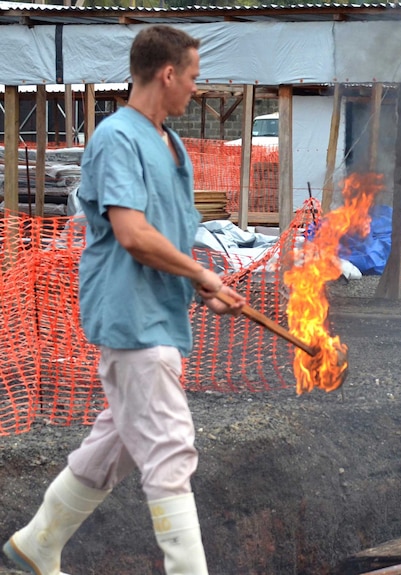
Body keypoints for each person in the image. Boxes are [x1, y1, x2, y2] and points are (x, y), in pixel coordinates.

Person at [3, 25, 245, 575]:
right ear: (167, 74)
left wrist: (199, 286)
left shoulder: (172, 143)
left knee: (113, 444)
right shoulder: (117, 138)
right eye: (193, 77)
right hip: (133, 318)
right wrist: (200, 276)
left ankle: (36, 545)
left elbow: (169, 236)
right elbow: (133, 234)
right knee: (170, 448)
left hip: (159, 313)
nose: (195, 88)